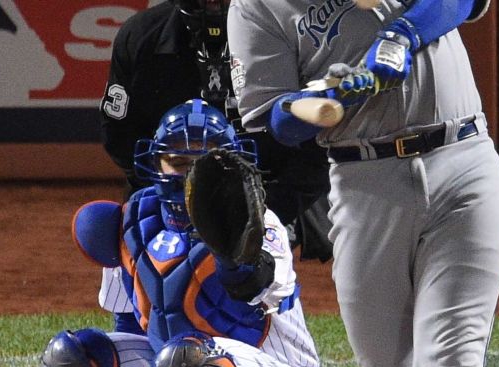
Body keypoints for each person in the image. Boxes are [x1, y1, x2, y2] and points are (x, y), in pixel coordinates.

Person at [227, 1, 499, 367]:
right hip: (364, 182)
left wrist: (401, 36)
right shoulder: (254, 7)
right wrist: (337, 95)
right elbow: (276, 117)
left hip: (462, 159)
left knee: (451, 358)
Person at [37, 99, 325, 367]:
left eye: (206, 162)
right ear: (156, 163)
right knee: (70, 361)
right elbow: (129, 326)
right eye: (178, 162)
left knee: (191, 362)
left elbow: (253, 284)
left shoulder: (258, 223)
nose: (192, 174)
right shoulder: (134, 223)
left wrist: (233, 254)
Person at [98, 0, 332, 262]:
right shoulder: (142, 35)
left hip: (271, 188)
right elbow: (119, 135)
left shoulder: (293, 31)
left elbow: (317, 151)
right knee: (155, 275)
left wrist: (262, 212)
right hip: (166, 188)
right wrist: (163, 197)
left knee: (248, 275)